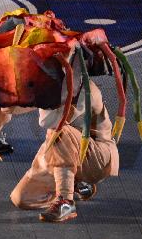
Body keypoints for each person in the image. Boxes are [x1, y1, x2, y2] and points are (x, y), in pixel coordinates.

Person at [10, 81, 119, 223]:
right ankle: (77, 184)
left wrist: (34, 95)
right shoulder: (49, 84)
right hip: (64, 151)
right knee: (22, 198)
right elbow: (11, 108)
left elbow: (49, 121)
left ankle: (66, 201)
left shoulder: (84, 90)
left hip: (97, 157)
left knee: (58, 130)